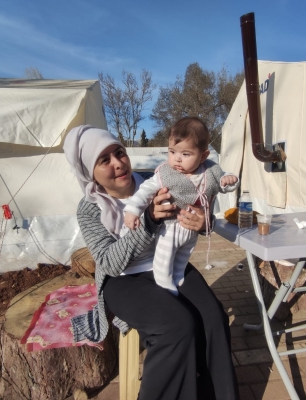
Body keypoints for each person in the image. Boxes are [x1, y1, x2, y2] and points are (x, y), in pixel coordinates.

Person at [63, 124, 239, 400]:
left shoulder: (158, 177)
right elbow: (108, 263)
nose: (118, 164)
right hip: (124, 280)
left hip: (168, 263)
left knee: (213, 317)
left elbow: (201, 199)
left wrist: (205, 222)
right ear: (89, 172)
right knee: (176, 324)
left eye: (119, 153)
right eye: (104, 160)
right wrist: (149, 220)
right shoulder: (89, 207)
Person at [123, 117, 239, 295]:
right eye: (172, 152)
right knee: (164, 259)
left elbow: (225, 182)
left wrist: (228, 180)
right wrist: (133, 210)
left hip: (192, 230)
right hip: (170, 227)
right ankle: (164, 286)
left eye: (185, 154)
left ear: (203, 156)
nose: (177, 159)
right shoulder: (166, 174)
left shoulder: (210, 171)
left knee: (182, 259)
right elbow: (145, 191)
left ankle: (177, 279)